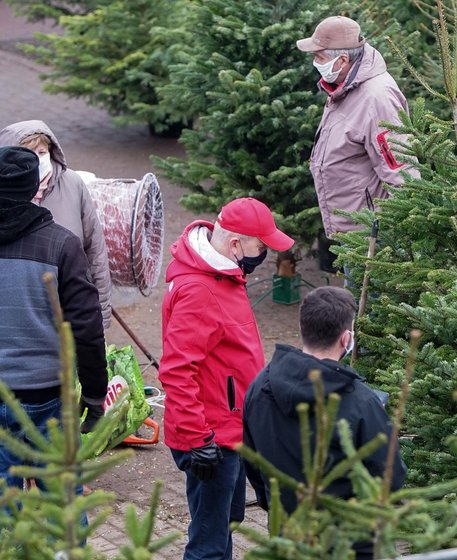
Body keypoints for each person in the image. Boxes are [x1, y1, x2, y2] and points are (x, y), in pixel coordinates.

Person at [158, 197, 294, 560]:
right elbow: (176, 369)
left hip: (231, 430)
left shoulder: (223, 272)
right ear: (236, 244)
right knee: (209, 544)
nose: (263, 253)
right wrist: (197, 438)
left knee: (226, 523)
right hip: (210, 438)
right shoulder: (200, 290)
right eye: (260, 246)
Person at [242, 286, 406, 560]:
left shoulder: (260, 386)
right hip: (350, 543)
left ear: (303, 327)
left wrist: (273, 503)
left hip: (288, 533)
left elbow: (252, 460)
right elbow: (390, 477)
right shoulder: (362, 403)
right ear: (346, 338)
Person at [0, 146, 107, 489]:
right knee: (63, 502)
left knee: (6, 509)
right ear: (36, 189)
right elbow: (86, 327)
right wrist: (94, 394)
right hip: (46, 397)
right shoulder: (62, 244)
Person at [296, 16, 418, 242]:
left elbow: (400, 170)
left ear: (342, 60)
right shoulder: (344, 86)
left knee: (361, 279)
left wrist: (406, 233)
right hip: (352, 227)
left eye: (319, 57)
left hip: (372, 233)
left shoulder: (376, 99)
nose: (315, 62)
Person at [0, 120, 112, 329]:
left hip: (70, 313)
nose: (39, 160)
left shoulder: (73, 185)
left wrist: (101, 317)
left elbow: (95, 252)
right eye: (29, 153)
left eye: (42, 152)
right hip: (21, 320)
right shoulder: (7, 196)